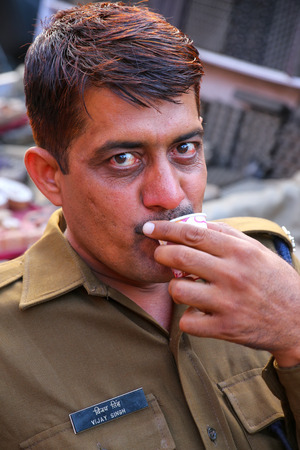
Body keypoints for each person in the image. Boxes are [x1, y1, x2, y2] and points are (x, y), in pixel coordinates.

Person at [1, 2, 300, 449]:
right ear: (48, 176)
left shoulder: (273, 267)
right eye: (123, 159)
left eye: (185, 149)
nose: (170, 195)